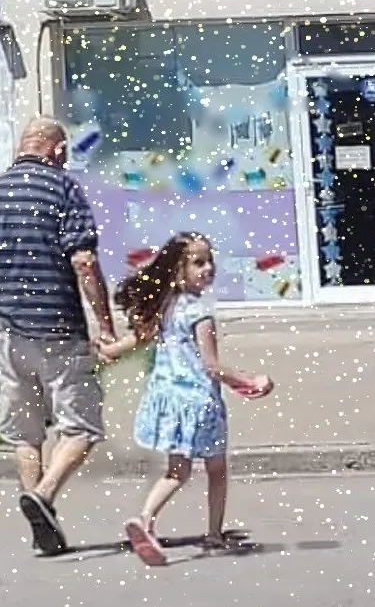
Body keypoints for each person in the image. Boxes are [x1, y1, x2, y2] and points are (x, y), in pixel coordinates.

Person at [97, 231, 273, 566]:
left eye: (210, 261)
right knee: (217, 469)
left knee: (177, 470)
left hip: (168, 400)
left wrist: (108, 351)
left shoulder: (165, 306)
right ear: (178, 270)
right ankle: (214, 534)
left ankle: (145, 518)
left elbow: (138, 338)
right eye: (198, 262)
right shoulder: (199, 313)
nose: (208, 268)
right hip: (200, 402)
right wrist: (251, 380)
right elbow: (211, 366)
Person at [0, 116, 115, 555]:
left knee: (25, 434)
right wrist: (105, 323)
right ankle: (43, 496)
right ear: (57, 149)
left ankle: (42, 531)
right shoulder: (63, 188)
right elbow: (84, 262)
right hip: (59, 328)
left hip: (9, 332)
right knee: (83, 426)